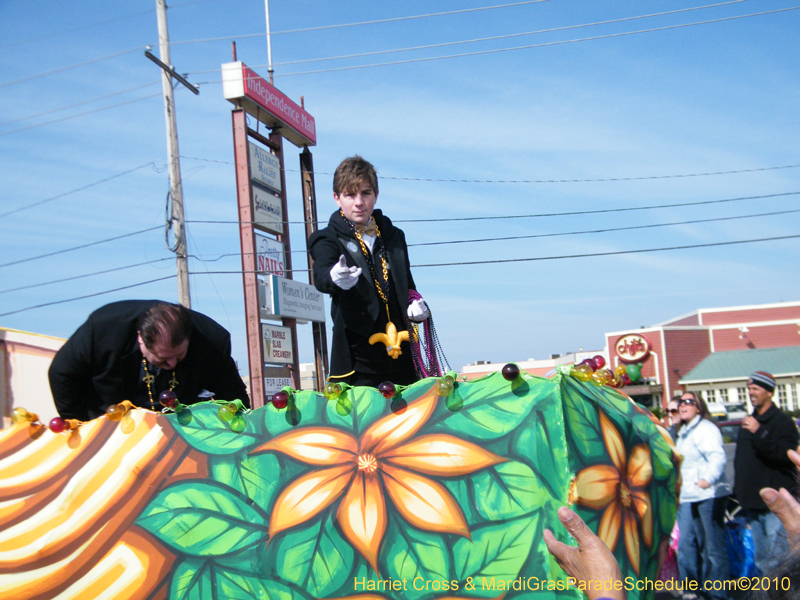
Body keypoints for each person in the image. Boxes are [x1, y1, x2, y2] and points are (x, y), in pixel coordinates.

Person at [308, 155, 431, 387]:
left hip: (402, 353)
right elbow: (322, 276)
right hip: (359, 359)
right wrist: (334, 277)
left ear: (375, 195)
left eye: (365, 193)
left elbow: (408, 286)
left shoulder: (394, 236)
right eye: (350, 194)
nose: (359, 202)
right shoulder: (326, 238)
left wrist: (415, 303)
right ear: (337, 198)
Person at [49, 300, 249, 421]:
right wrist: (81, 425)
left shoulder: (212, 341)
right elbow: (61, 373)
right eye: (163, 358)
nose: (172, 364)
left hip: (180, 431)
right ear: (140, 339)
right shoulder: (102, 330)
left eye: (179, 356)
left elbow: (233, 395)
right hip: (112, 425)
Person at [734, 371, 799, 575]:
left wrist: (759, 432)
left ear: (769, 392)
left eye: (756, 389)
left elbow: (783, 455)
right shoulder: (749, 421)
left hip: (775, 502)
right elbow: (742, 461)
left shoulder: (782, 422)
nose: (751, 393)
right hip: (753, 502)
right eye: (749, 389)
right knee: (761, 559)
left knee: (778, 558)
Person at [675, 390, 730, 600]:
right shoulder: (684, 431)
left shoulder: (705, 429)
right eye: (681, 401)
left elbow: (717, 457)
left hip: (710, 494)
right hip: (690, 496)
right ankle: (693, 590)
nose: (683, 405)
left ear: (698, 406)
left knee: (713, 548)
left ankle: (718, 594)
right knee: (688, 544)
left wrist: (708, 479)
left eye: (688, 401)